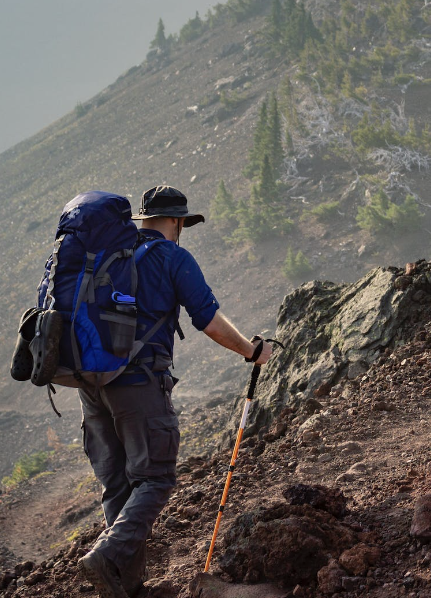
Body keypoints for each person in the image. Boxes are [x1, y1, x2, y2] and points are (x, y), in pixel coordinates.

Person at [78, 186, 274, 598]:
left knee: (118, 486)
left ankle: (126, 588)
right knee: (156, 478)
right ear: (178, 222)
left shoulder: (108, 255)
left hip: (90, 385)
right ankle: (108, 556)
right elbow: (209, 320)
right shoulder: (172, 257)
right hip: (138, 384)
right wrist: (252, 351)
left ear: (143, 219)